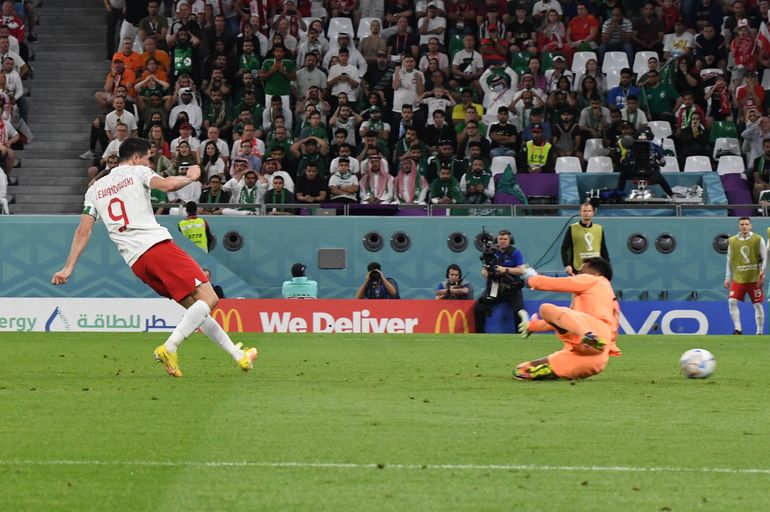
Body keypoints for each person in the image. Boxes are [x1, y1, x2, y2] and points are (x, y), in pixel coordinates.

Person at [51, 138, 258, 378]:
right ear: (137, 158)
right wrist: (191, 176)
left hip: (137, 263)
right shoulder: (138, 171)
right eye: (149, 158)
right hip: (157, 247)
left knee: (196, 309)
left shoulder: (95, 189)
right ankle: (169, 348)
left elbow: (83, 230)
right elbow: (169, 185)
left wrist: (68, 267)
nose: (151, 162)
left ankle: (237, 355)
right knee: (210, 298)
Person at [513, 257, 621, 381]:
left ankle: (587, 335)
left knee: (545, 309)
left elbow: (549, 284)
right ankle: (547, 369)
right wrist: (533, 326)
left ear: (596, 273)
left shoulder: (594, 280)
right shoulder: (608, 298)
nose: (578, 274)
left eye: (581, 271)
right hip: (598, 356)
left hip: (590, 334)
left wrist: (530, 277)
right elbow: (565, 321)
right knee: (522, 369)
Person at [473, 229, 526, 333]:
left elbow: (521, 270)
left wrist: (504, 269)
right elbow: (485, 265)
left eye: (505, 239)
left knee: (519, 311)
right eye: (500, 239)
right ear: (497, 240)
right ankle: (479, 335)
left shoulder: (515, 252)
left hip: (512, 286)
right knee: (478, 308)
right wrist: (484, 271)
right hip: (495, 286)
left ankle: (520, 335)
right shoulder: (491, 251)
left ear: (510, 240)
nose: (502, 241)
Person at [724, 217, 766, 335]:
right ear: (739, 226)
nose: (744, 226)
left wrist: (762, 273)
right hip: (738, 278)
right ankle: (738, 329)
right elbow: (729, 260)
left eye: (746, 224)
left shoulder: (758, 239)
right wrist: (727, 278)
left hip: (754, 278)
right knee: (732, 301)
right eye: (742, 224)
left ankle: (759, 332)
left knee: (757, 304)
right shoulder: (732, 241)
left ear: (750, 226)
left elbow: (764, 258)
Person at [561, 202, 610, 275]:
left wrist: (607, 266)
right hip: (578, 269)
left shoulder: (599, 228)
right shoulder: (572, 228)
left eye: (589, 211)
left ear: (593, 213)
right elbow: (564, 248)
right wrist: (567, 265)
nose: (587, 213)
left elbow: (603, 249)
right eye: (584, 211)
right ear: (580, 213)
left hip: (596, 270)